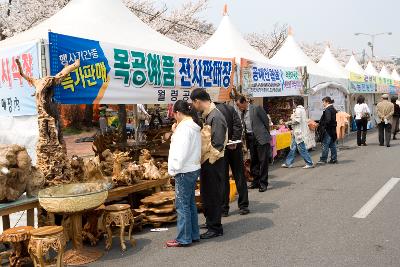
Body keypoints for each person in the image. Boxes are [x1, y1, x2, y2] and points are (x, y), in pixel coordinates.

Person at [190, 88, 228, 239]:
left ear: (197, 101)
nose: (194, 106)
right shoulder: (208, 115)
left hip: (214, 161)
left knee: (213, 194)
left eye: (194, 103)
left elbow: (218, 143)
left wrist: (208, 161)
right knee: (207, 193)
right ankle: (210, 221)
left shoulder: (216, 116)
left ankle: (215, 227)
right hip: (207, 161)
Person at [166, 100, 202, 247]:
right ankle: (193, 234)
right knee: (190, 203)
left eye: (174, 114)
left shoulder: (184, 129)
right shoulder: (193, 127)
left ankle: (184, 238)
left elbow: (180, 152)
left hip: (183, 170)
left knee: (182, 205)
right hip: (193, 168)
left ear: (178, 113)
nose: (174, 117)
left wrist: (173, 169)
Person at [216, 102, 250, 217]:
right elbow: (238, 125)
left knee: (223, 178)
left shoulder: (213, 111)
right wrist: (234, 140)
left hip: (222, 148)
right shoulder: (230, 108)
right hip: (234, 146)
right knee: (239, 175)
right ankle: (243, 206)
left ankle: (223, 209)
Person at [235, 95, 271, 192]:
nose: (238, 107)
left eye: (239, 105)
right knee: (254, 161)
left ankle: (263, 183)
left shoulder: (256, 108)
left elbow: (266, 121)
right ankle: (256, 181)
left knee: (263, 161)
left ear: (244, 102)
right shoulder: (242, 113)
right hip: (250, 138)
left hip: (261, 137)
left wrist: (265, 134)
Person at [281, 98, 314, 169]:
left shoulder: (298, 110)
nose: (291, 104)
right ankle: (288, 163)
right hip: (297, 132)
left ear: (294, 102)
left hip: (299, 133)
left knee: (302, 149)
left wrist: (287, 122)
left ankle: (309, 163)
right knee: (293, 148)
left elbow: (297, 120)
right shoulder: (301, 109)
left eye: (292, 102)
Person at [317, 97, 338, 164]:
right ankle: (334, 159)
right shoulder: (332, 108)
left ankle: (323, 159)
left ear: (327, 102)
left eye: (323, 102)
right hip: (332, 130)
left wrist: (322, 125)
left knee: (325, 144)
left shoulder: (328, 110)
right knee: (332, 145)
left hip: (327, 130)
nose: (323, 103)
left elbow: (328, 120)